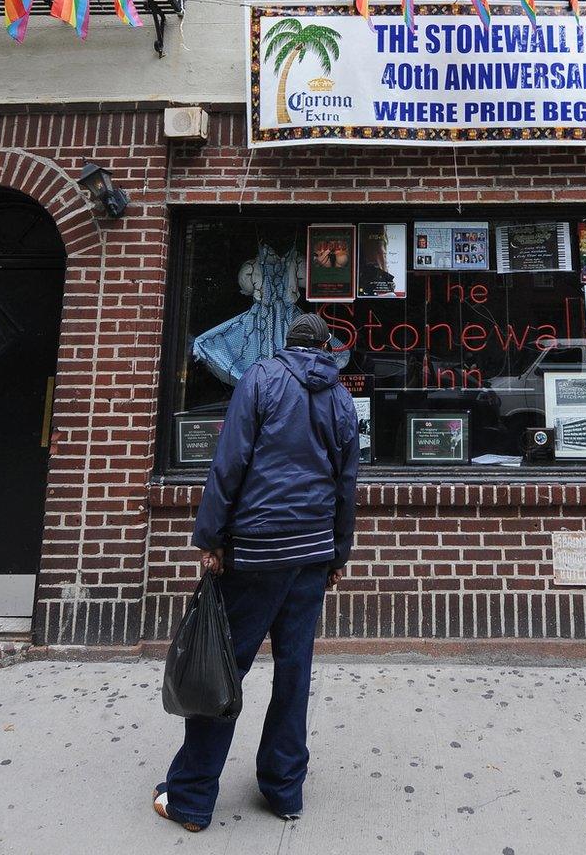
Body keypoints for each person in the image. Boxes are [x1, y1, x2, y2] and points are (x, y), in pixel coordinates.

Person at [154, 312, 360, 833]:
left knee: (222, 668)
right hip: (310, 555)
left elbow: (229, 463)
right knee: (295, 673)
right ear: (327, 348)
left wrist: (211, 539)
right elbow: (346, 483)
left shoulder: (261, 379)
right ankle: (285, 790)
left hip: (257, 552)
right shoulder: (339, 398)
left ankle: (191, 798)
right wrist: (337, 553)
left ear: (287, 344)